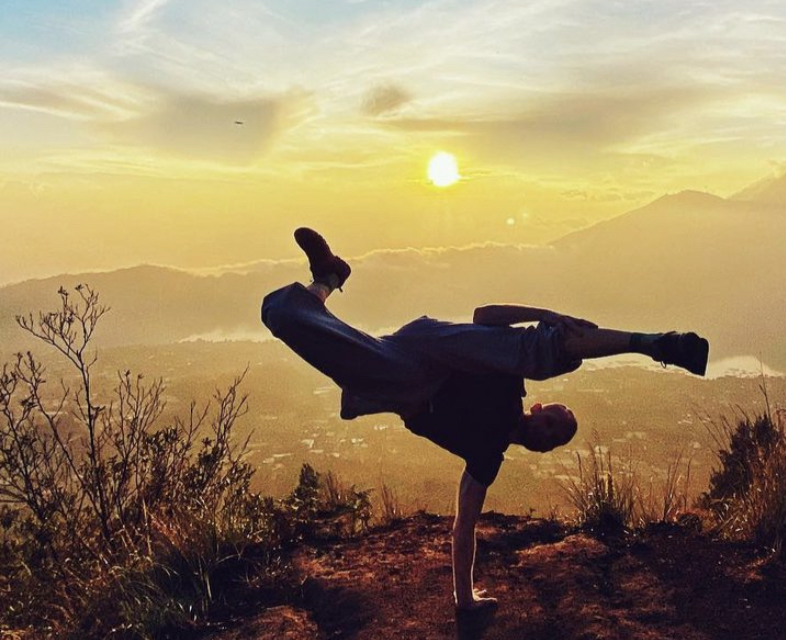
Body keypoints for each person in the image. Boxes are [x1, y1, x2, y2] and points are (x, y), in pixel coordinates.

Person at [261, 227, 709, 613]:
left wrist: (464, 597)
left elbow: (464, 526)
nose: (548, 433)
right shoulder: (509, 388)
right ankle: (655, 344)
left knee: (286, 315)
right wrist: (545, 314)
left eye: (554, 438)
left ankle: (328, 277)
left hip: (407, 376)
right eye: (553, 421)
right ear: (538, 407)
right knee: (537, 349)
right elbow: (483, 317)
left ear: (544, 449)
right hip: (434, 343)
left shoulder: (486, 457)